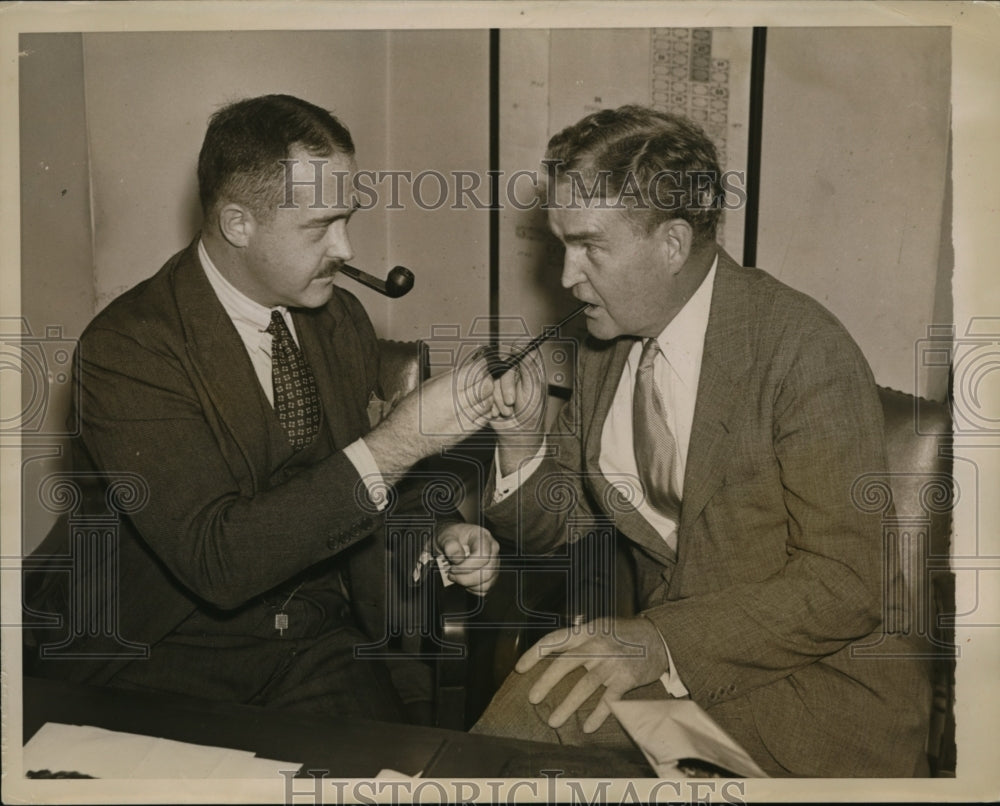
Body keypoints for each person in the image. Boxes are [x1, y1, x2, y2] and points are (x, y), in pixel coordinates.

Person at [472, 105, 931, 776]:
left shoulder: (802, 349)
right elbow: (561, 519)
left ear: (672, 243)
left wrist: (659, 639)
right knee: (526, 716)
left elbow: (847, 585)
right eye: (560, 244)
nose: (568, 276)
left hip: (814, 696)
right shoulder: (608, 344)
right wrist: (519, 446)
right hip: (690, 680)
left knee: (533, 718)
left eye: (590, 246)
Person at [23, 94, 498, 724]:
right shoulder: (127, 348)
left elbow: (363, 475)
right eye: (319, 226)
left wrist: (438, 530)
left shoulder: (339, 317)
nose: (347, 248)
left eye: (347, 218)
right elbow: (217, 561)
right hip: (160, 657)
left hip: (318, 642)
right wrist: (403, 438)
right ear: (238, 223)